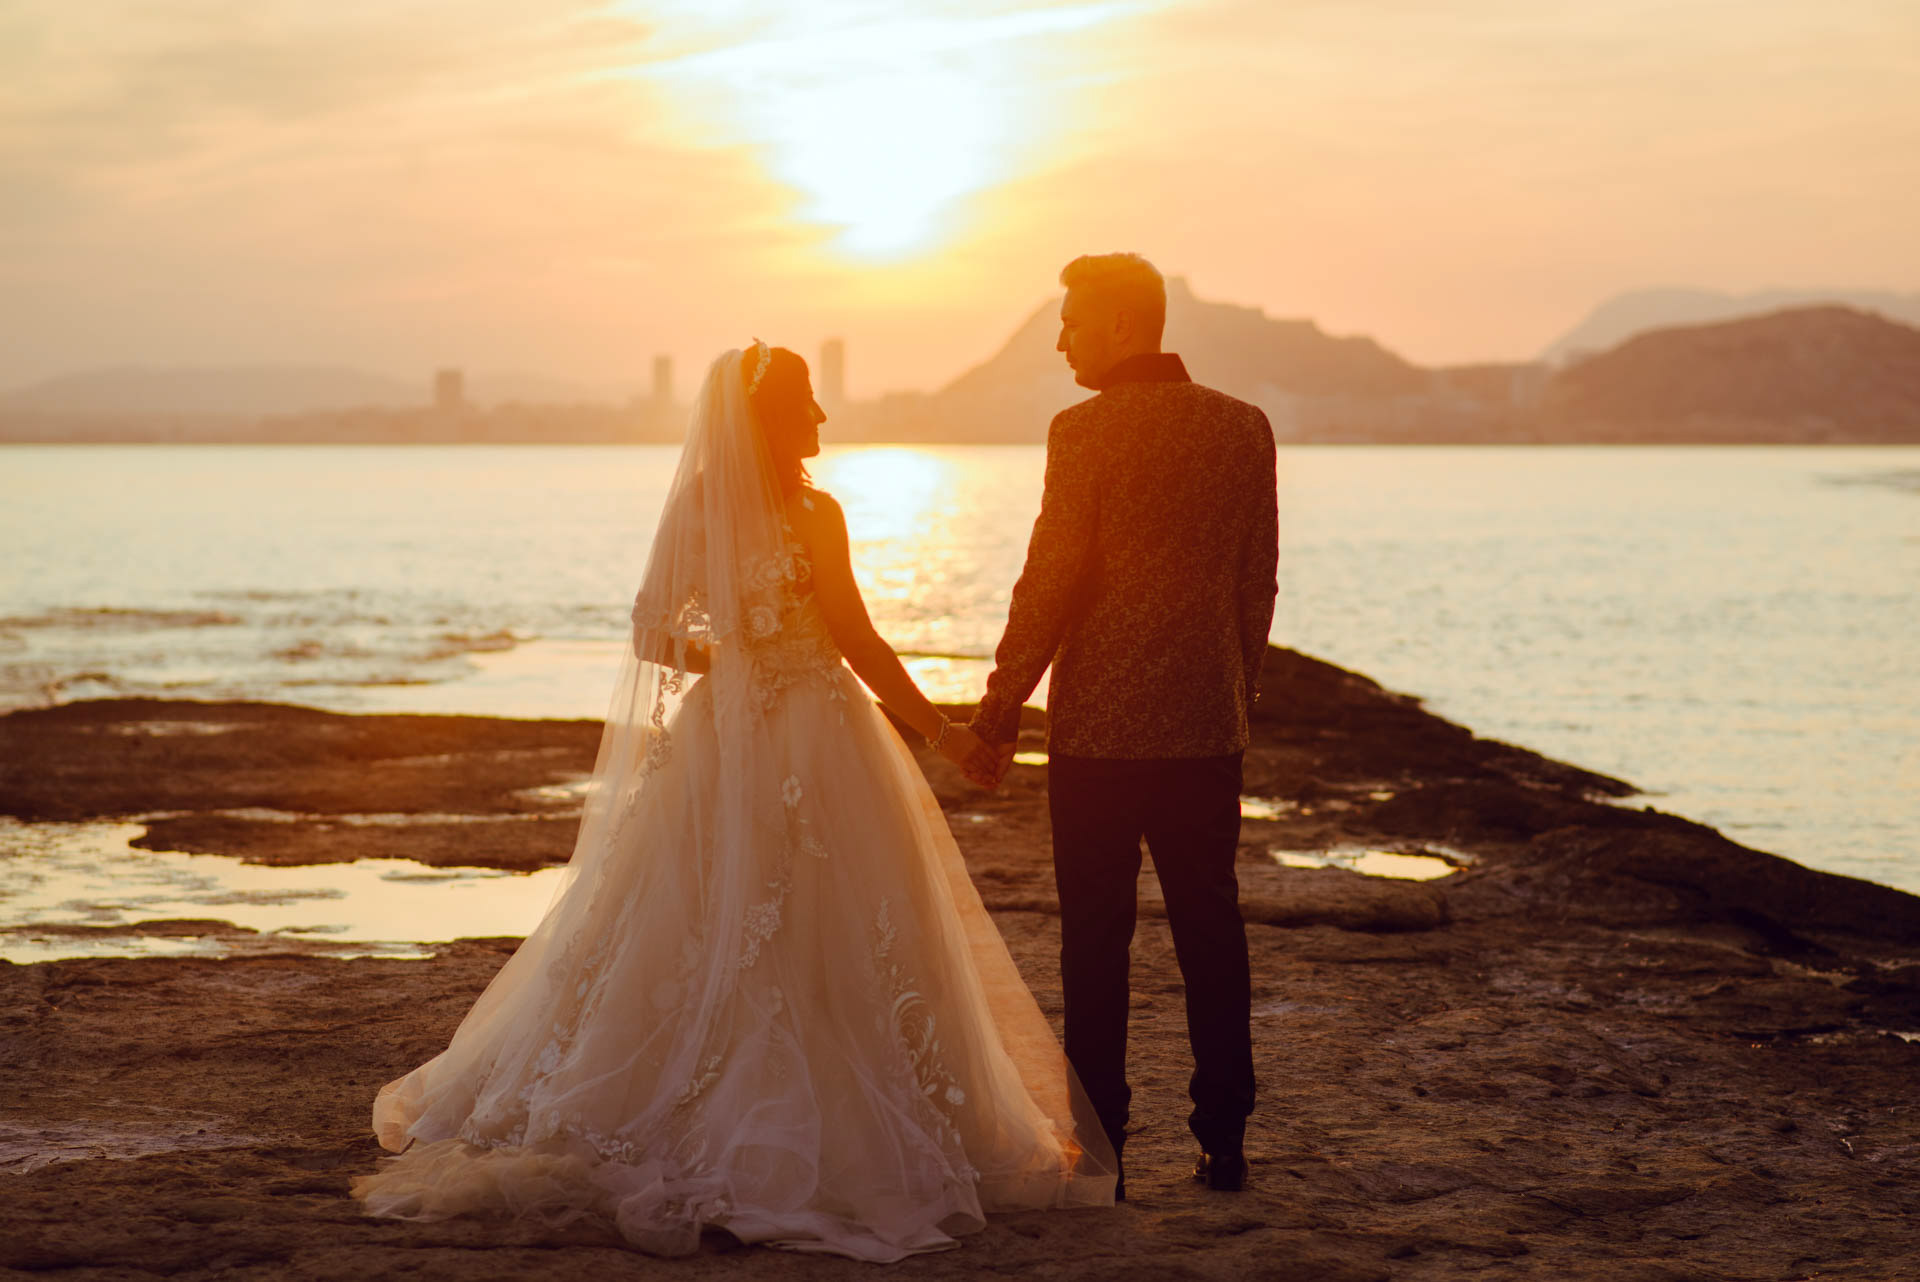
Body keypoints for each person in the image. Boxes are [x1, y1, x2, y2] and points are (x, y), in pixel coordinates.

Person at [351, 342, 1116, 1262]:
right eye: (806, 403)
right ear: (767, 416)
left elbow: (651, 635)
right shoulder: (813, 512)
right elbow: (859, 643)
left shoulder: (698, 509)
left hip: (728, 735)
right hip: (819, 731)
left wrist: (737, 669)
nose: (822, 419)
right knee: (824, 922)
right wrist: (949, 737)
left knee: (709, 918)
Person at [969, 253, 1279, 1198]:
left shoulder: (1084, 432)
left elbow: (1053, 577)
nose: (1060, 337)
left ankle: (1100, 1144)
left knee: (1095, 938)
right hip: (1204, 726)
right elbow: (1255, 580)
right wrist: (1235, 686)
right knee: (1210, 928)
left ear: (1117, 326)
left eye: (1070, 320)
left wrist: (999, 706)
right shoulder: (1244, 428)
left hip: (1099, 733)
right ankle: (1223, 1137)